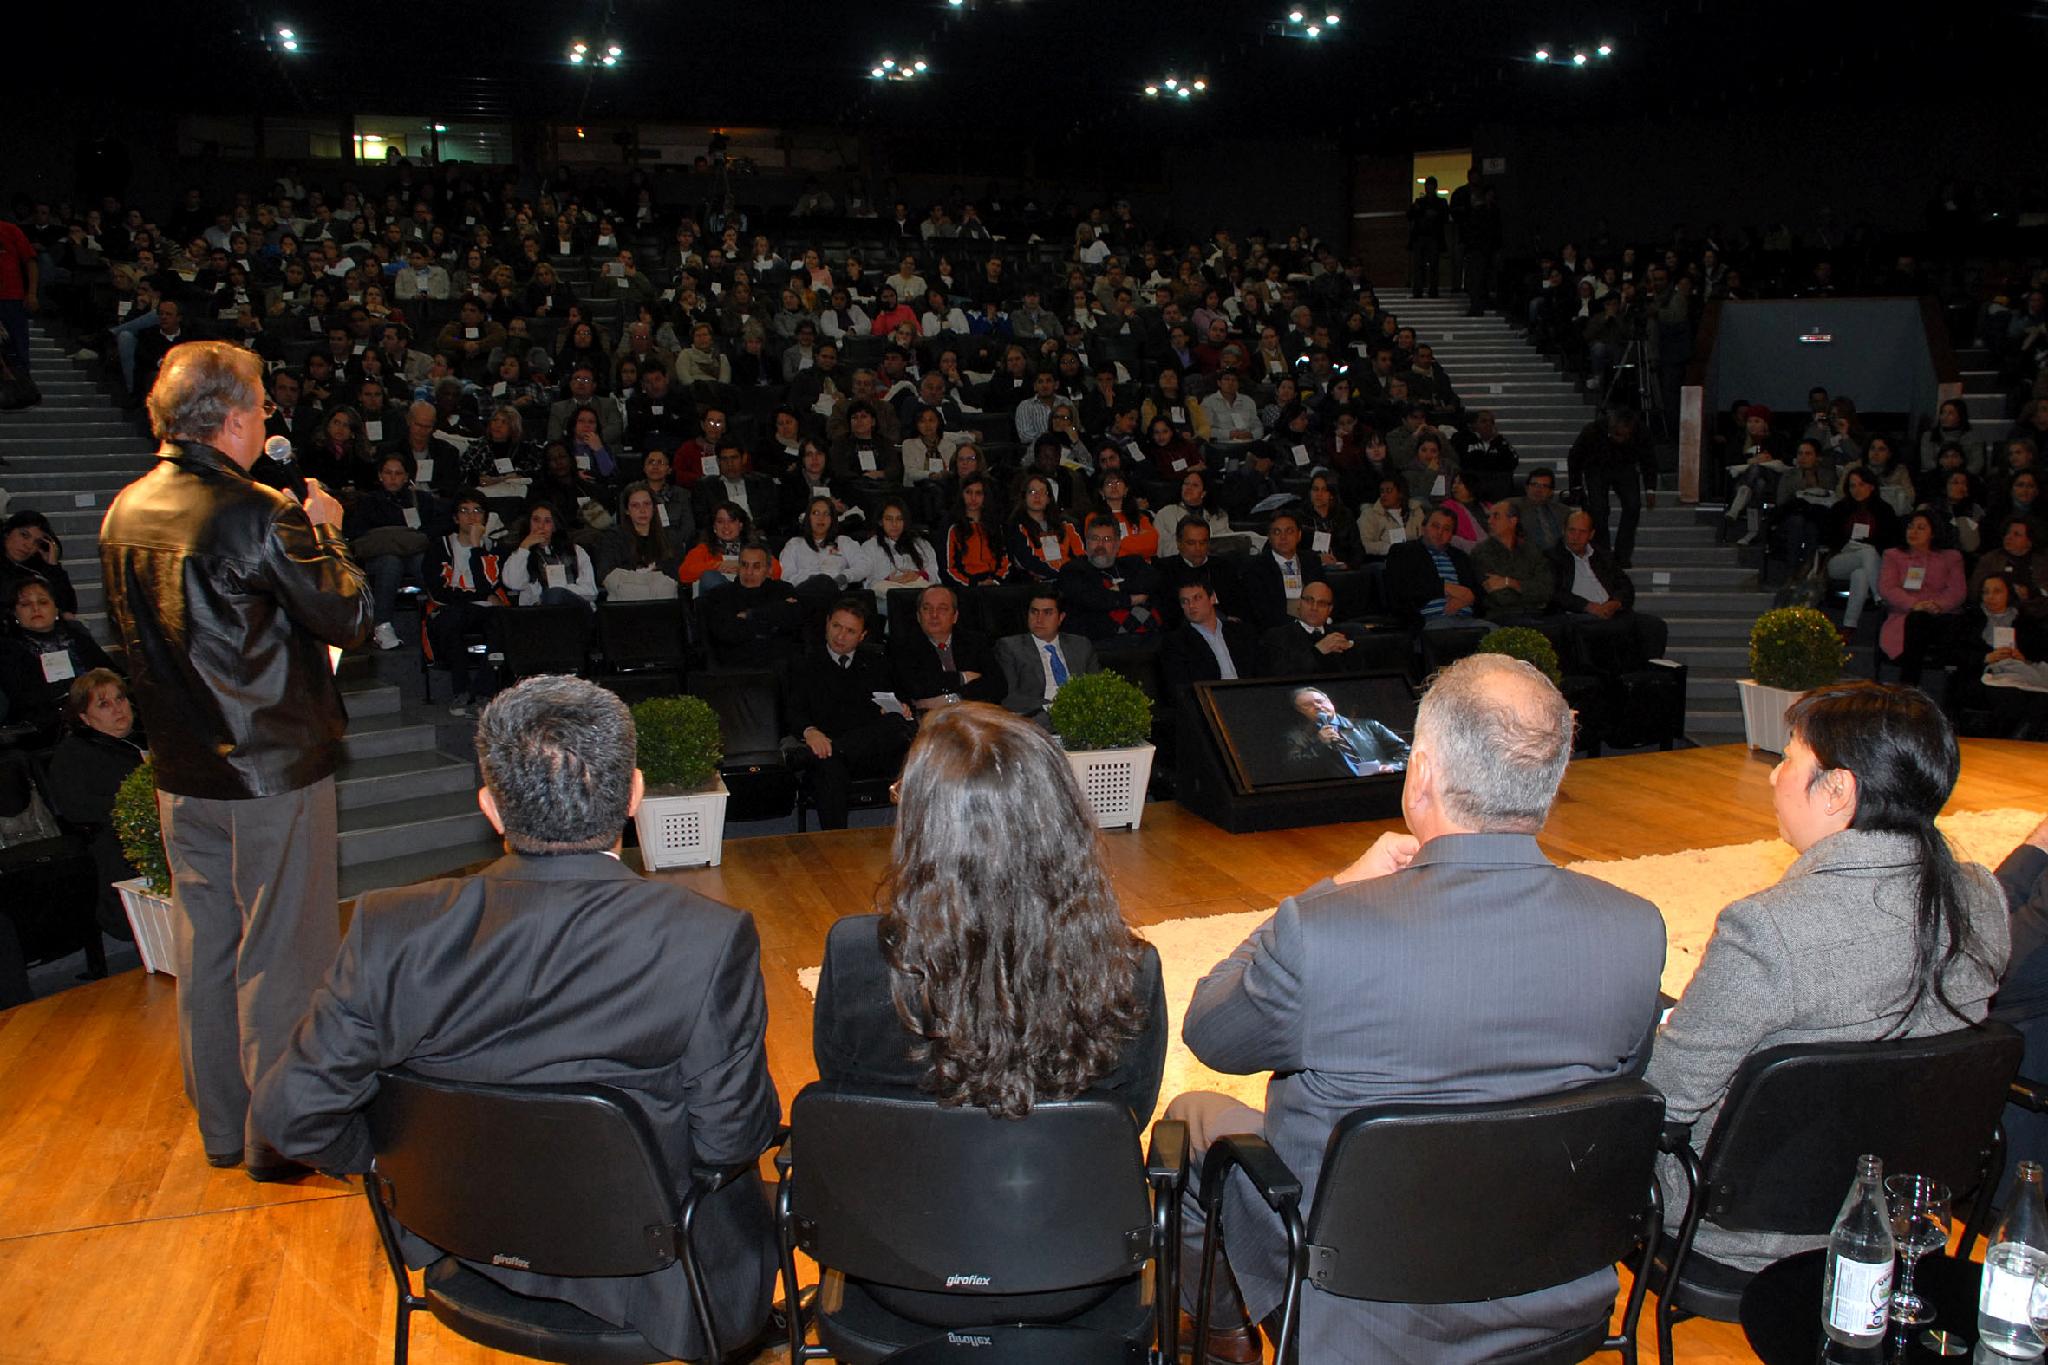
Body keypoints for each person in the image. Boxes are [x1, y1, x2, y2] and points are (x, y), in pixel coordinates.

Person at [250, 677, 780, 1359]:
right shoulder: (705, 938)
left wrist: (396, 1166)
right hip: (657, 1281)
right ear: (635, 796)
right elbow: (730, 1140)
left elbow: (291, 1112)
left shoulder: (389, 930)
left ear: (491, 808)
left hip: (460, 1247)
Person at [1168, 654, 1666, 1362]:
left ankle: (1222, 1334)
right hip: (1556, 1289)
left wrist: (1330, 891)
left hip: (1360, 1313)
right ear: (1549, 784)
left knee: (1192, 1114)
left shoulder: (1325, 933)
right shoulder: (1636, 928)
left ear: (1421, 772)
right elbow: (1620, 1083)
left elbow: (1211, 1030)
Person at [98, 340, 371, 1178]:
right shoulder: (260, 513)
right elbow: (350, 616)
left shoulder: (125, 510)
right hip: (269, 769)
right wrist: (328, 534)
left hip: (182, 773)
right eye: (260, 402)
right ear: (231, 416)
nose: (266, 417)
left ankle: (224, 1125)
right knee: (282, 953)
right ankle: (282, 1137)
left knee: (208, 947)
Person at [809, 702, 1166, 1320]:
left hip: (896, 1264)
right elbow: (1128, 1116)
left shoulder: (854, 956)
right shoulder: (1129, 967)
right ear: (1062, 817)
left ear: (921, 824)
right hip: (1074, 1266)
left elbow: (846, 1091)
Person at [1648, 682, 2007, 1273]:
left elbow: (1666, 1097)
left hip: (1746, 1230)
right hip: (1902, 1212)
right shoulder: (1981, 898)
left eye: (1788, 758)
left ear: (1837, 789)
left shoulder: (1768, 928)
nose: (1773, 776)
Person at [788, 598, 917, 829]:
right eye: (836, 626)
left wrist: (900, 707)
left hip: (869, 749)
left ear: (862, 635)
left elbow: (900, 700)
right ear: (827, 624)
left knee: (898, 724)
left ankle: (835, 749)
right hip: (825, 748)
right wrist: (810, 732)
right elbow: (792, 711)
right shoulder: (804, 664)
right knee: (828, 766)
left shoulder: (877, 662)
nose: (840, 636)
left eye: (850, 631)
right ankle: (835, 842)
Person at [44, 669, 147, 940]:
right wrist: (138, 805)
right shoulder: (73, 753)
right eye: (104, 704)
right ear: (85, 717)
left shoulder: (146, 738)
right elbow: (75, 807)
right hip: (115, 837)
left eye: (120, 698)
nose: (117, 708)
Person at [1, 580, 119, 745]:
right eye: (25, 604)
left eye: (43, 602)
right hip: (45, 727)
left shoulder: (77, 638)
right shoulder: (8, 649)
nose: (36, 609)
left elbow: (112, 675)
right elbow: (24, 698)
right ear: (14, 613)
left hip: (95, 712)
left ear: (56, 609)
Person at [1547, 509, 1669, 665]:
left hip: (1611, 610)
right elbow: (1554, 592)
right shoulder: (1552, 557)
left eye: (1582, 532)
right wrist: (1588, 606)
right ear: (1564, 531)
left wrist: (1615, 603)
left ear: (1591, 534)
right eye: (1572, 530)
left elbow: (1625, 585)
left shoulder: (1602, 555)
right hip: (1578, 614)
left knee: (1654, 625)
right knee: (1607, 628)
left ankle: (1647, 673)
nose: (1576, 537)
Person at [422, 491, 505, 715]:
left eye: (477, 510)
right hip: (452, 608)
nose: (471, 516)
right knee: (452, 620)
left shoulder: (493, 548)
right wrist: (477, 596)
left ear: (485, 517)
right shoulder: (440, 546)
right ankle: (461, 691)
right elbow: (439, 591)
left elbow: (487, 585)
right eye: (464, 511)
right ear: (455, 518)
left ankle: (483, 693)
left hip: (486, 610)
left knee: (502, 622)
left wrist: (477, 547)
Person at [889, 584, 1005, 710]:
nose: (934, 615)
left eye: (942, 609)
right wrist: (962, 677)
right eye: (927, 609)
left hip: (974, 713)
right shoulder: (902, 646)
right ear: (918, 616)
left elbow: (998, 686)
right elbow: (916, 687)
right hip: (929, 717)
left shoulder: (975, 642)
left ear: (955, 617)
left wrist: (954, 699)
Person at [995, 588, 1102, 724]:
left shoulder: (1081, 645)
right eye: (1034, 612)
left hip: (1082, 714)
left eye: (1047, 613)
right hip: (1038, 715)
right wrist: (1056, 707)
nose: (1039, 619)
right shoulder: (1009, 647)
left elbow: (1098, 687)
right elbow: (1009, 697)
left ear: (1061, 618)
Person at [1567, 408, 1658, 567]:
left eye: (1625, 436)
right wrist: (1576, 486)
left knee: (1633, 505)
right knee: (1598, 510)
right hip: (1596, 467)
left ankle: (1622, 555)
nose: (1621, 439)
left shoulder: (1641, 432)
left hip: (1625, 466)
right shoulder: (1593, 430)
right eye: (1617, 434)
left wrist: (1650, 488)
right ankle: (1603, 554)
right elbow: (1575, 457)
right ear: (1610, 428)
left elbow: (1649, 459)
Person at [701, 545, 804, 670]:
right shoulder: (720, 595)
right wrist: (773, 618)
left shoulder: (783, 590)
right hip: (737, 668)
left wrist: (751, 615)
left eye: (756, 566)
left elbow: (794, 620)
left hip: (782, 666)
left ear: (769, 569)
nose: (749, 572)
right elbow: (727, 633)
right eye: (744, 565)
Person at [1057, 516, 1159, 640]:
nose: (1100, 545)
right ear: (1087, 542)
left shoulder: (1133, 563)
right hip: (1103, 642)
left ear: (1117, 543)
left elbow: (1154, 581)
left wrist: (1120, 587)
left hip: (1151, 638)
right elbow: (1094, 599)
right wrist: (1131, 599)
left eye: (1107, 539)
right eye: (1095, 539)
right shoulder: (1073, 570)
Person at [1384, 506, 1486, 630]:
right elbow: (1401, 588)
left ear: (1452, 535)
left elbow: (1479, 591)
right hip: (1430, 620)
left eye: (1447, 529)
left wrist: (1470, 597)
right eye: (1435, 526)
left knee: (1497, 633)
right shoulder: (1403, 551)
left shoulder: (1460, 557)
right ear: (1423, 528)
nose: (1440, 533)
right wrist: (1445, 588)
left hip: (1469, 620)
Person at [1160, 575, 1259, 694]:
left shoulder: (1241, 632)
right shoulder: (1176, 643)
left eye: (1197, 598)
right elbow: (1180, 689)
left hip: (1251, 696)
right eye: (1185, 601)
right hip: (1212, 700)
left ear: (1212, 598)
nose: (1191, 605)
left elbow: (1260, 672)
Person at [1241, 511, 1329, 633]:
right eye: (1277, 532)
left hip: (1316, 623)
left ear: (1299, 535)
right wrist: (1302, 626)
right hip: (1279, 630)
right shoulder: (1256, 567)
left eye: (1289, 531)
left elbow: (1325, 595)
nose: (1283, 537)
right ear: (1269, 537)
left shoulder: (1311, 561)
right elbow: (1262, 613)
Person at [1470, 500, 1554, 625]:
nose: (1489, 521)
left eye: (1496, 516)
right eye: (1489, 517)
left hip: (1537, 614)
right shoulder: (1481, 552)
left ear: (1512, 521)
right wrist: (1531, 591)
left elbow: (1547, 590)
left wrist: (1510, 583)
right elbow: (1501, 597)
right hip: (1502, 616)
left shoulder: (1531, 550)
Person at [1258, 580, 1365, 678]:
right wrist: (1318, 651)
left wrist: (1350, 652)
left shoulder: (1341, 636)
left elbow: (1358, 676)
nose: (1314, 608)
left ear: (1329, 609)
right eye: (1309, 600)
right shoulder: (1276, 636)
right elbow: (1279, 674)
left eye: (1322, 603)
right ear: (1300, 603)